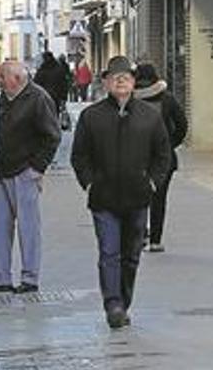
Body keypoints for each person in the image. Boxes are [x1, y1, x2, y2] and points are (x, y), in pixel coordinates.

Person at [71, 56, 171, 329]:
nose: (121, 81)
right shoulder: (91, 116)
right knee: (108, 252)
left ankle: (124, 301)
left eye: (125, 76)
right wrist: (89, 182)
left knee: (130, 256)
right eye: (115, 77)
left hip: (138, 198)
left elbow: (163, 155)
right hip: (103, 199)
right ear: (106, 83)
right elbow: (79, 156)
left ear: (133, 81)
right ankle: (112, 303)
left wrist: (152, 182)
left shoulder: (150, 116)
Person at [0, 61, 61, 294]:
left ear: (16, 78)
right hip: (3, 170)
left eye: (2, 77)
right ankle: (0, 278)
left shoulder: (38, 98)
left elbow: (52, 136)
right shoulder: (6, 97)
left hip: (25, 171)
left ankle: (30, 278)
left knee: (28, 228)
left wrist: (37, 168)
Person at [133, 62, 187, 252]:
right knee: (159, 199)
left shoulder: (129, 100)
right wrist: (170, 144)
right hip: (163, 159)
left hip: (135, 157)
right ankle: (156, 240)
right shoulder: (167, 99)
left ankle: (138, 237)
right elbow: (182, 125)